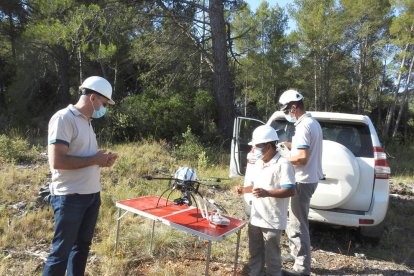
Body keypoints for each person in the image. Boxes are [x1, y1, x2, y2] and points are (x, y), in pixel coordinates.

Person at [43, 76, 119, 276]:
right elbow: (57, 161)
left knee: (81, 247)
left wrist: (103, 159)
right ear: (93, 98)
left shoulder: (87, 122)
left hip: (91, 196)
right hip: (70, 197)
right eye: (103, 103)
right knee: (60, 252)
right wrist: (95, 159)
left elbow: (85, 157)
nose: (104, 109)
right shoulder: (63, 118)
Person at [237, 125, 296, 276]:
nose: (255, 149)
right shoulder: (259, 163)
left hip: (272, 220)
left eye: (258, 146)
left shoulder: (283, 164)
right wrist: (244, 190)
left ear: (269, 146)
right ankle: (255, 273)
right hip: (256, 217)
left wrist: (267, 193)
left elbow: (290, 190)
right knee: (255, 252)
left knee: (272, 257)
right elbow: (256, 186)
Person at [278, 89, 323, 276]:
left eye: (287, 110)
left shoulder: (304, 126)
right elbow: (303, 148)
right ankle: (295, 254)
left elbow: (302, 158)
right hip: (308, 180)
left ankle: (302, 268)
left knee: (298, 225)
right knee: (293, 222)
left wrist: (284, 155)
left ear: (294, 107)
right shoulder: (312, 123)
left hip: (302, 182)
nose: (287, 114)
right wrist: (287, 145)